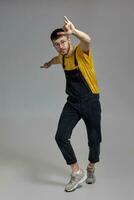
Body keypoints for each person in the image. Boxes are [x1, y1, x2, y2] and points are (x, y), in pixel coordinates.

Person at [40, 16, 102, 192]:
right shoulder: (62, 57)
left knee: (94, 139)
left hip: (90, 101)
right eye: (56, 44)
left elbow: (87, 40)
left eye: (62, 42)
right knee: (60, 136)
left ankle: (91, 167)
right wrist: (48, 64)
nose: (60, 47)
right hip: (73, 103)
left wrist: (74, 31)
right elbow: (56, 59)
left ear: (68, 39)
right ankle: (76, 172)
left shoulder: (81, 53)